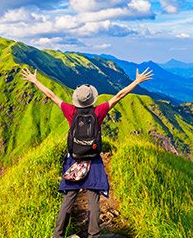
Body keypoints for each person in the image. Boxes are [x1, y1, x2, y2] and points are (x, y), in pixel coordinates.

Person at [20, 66, 154, 238]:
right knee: (93, 200)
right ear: (92, 99)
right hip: (94, 160)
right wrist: (137, 81)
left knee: (68, 199)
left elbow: (51, 95)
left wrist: (35, 80)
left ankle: (57, 235)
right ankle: (94, 234)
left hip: (74, 160)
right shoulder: (98, 112)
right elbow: (119, 96)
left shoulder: (71, 112)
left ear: (77, 100)